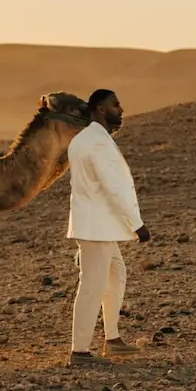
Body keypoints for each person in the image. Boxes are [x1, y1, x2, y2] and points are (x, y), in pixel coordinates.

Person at [65, 88, 150, 366]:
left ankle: (111, 339)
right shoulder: (96, 143)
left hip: (97, 224)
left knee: (116, 274)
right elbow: (112, 187)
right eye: (116, 104)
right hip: (96, 227)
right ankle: (79, 352)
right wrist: (136, 224)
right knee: (92, 285)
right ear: (101, 109)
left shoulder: (85, 139)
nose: (121, 109)